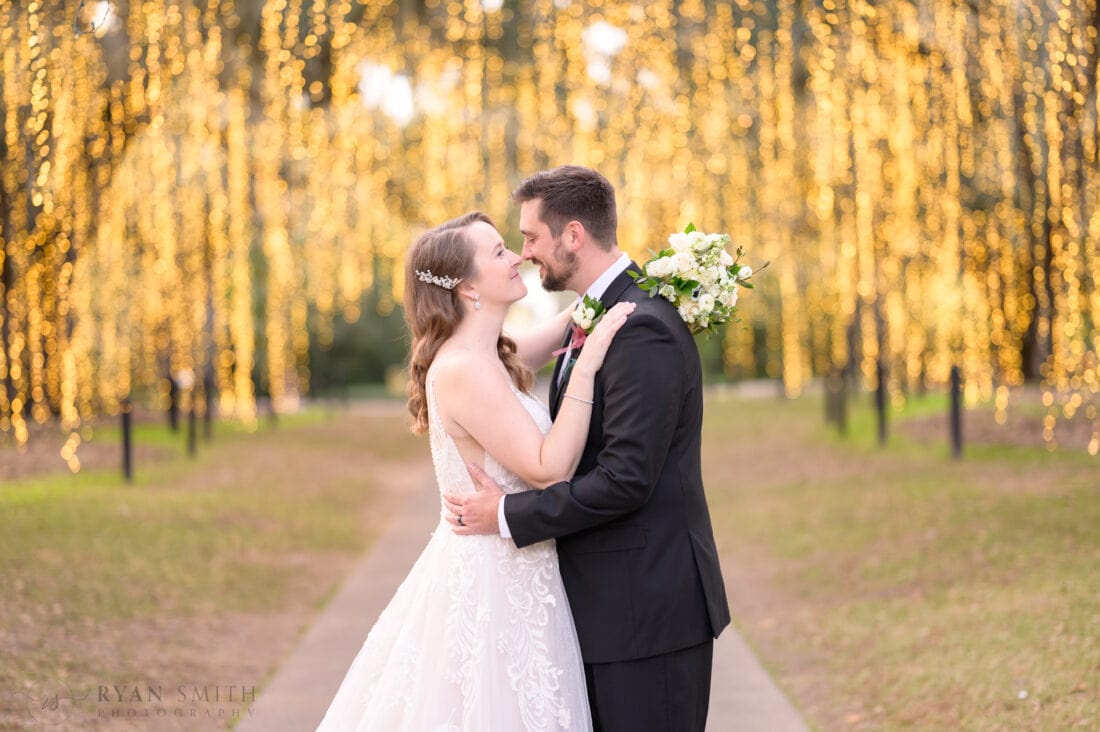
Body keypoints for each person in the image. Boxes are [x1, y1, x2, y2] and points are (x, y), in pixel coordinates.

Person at [315, 211, 635, 730]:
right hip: (494, 584)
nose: (519, 258)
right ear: (467, 287)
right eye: (500, 253)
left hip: (516, 570)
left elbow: (567, 326)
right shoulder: (464, 369)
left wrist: (623, 285)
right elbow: (549, 470)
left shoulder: (485, 352)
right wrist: (591, 360)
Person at [444, 166, 731, 731]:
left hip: (647, 614)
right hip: (610, 611)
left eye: (529, 237)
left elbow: (626, 479)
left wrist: (505, 513)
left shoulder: (639, 326)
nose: (525, 253)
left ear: (572, 235)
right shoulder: (600, 316)